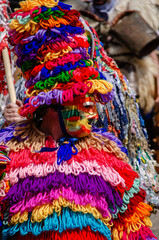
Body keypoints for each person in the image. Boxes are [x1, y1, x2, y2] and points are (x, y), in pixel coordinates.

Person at [0, 1, 158, 240]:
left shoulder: (108, 155)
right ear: (53, 107)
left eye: (90, 105)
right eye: (82, 105)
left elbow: (133, 228)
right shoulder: (9, 153)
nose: (91, 114)